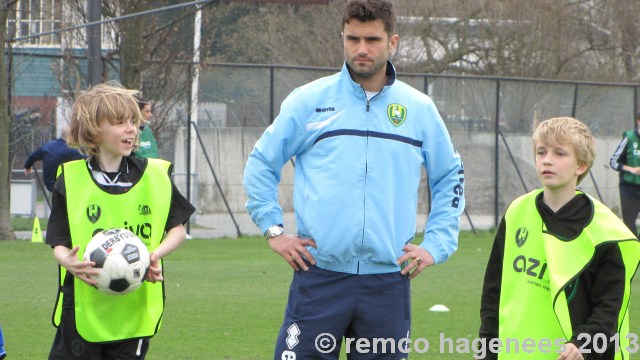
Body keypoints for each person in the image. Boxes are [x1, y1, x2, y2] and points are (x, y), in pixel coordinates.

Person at [243, 1, 465, 358]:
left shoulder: (419, 109)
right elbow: (261, 163)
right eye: (353, 38)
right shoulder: (309, 101)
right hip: (319, 276)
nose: (362, 49)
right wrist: (274, 231)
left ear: (393, 42)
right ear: (343, 38)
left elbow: (450, 175)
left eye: (373, 39)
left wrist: (435, 245)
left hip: (387, 283)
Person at [46, 81, 195, 360]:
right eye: (119, 122)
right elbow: (58, 241)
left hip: (133, 312)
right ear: (93, 131)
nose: (131, 129)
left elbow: (176, 229)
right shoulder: (70, 179)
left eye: (133, 122)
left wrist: (153, 255)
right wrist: (69, 262)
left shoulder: (155, 176)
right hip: (82, 309)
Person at [477, 117, 640, 360]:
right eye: (541, 152)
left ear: (581, 166)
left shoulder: (605, 231)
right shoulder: (516, 212)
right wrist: (486, 348)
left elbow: (609, 306)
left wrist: (582, 343)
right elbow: (494, 290)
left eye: (560, 153)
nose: (547, 160)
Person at [23, 127, 86, 192]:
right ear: (70, 137)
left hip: (48, 183)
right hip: (60, 186)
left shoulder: (48, 145)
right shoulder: (69, 150)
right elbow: (86, 158)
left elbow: (34, 155)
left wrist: (27, 166)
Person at [609, 112, 640, 236]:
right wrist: (631, 169)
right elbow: (613, 161)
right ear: (638, 121)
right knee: (629, 226)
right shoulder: (629, 137)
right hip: (629, 188)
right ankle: (634, 251)